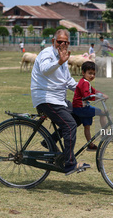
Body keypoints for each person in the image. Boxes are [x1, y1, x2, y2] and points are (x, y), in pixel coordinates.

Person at [31, 29, 90, 175]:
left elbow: (68, 81)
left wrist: (89, 92)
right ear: (53, 42)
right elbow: (45, 69)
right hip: (46, 98)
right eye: (59, 41)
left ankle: (49, 141)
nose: (62, 44)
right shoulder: (47, 54)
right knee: (69, 125)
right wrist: (59, 61)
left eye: (65, 42)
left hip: (58, 99)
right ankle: (70, 164)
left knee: (81, 114)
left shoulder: (63, 58)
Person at [72, 61, 108, 151]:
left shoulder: (85, 81)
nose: (92, 76)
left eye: (94, 74)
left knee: (87, 126)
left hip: (80, 107)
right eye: (90, 73)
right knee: (103, 113)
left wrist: (102, 94)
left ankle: (90, 145)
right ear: (83, 72)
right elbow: (87, 95)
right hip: (81, 108)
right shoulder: (85, 83)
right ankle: (105, 134)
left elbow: (93, 91)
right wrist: (99, 98)